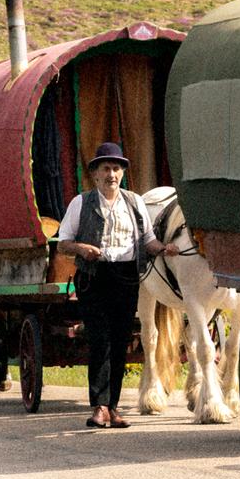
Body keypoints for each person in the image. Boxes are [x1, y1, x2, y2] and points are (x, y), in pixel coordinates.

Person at [57, 142, 177, 429]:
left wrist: (165, 249)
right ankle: (98, 407)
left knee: (120, 341)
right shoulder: (81, 203)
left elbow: (148, 241)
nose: (112, 174)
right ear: (95, 174)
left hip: (126, 276)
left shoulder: (134, 202)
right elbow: (62, 245)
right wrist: (83, 248)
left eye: (117, 168)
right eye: (106, 168)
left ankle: (113, 407)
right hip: (93, 277)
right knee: (100, 340)